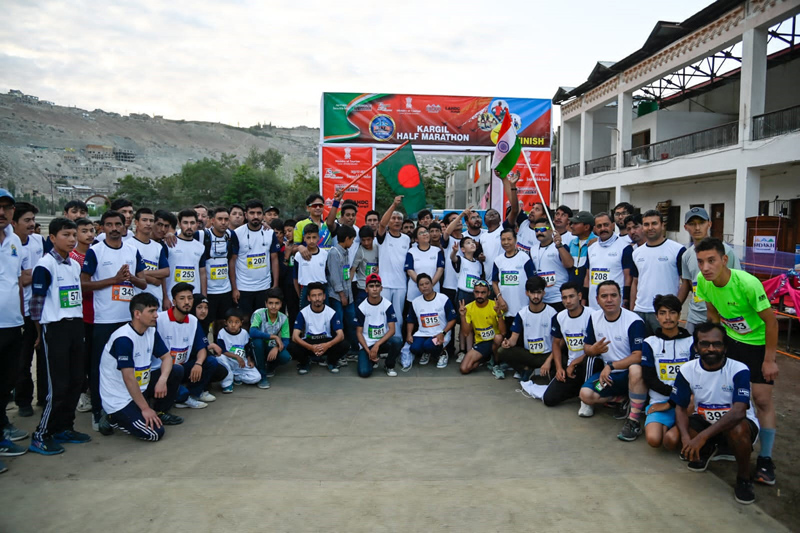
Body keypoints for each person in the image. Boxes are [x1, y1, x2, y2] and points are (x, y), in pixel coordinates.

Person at [695, 237, 778, 485]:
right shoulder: (702, 281)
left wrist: (769, 360)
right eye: (701, 262)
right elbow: (712, 314)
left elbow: (772, 322)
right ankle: (725, 442)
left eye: (711, 261)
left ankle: (765, 458)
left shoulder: (748, 284)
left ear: (724, 260)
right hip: (731, 341)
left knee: (761, 400)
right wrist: (714, 346)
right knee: (727, 394)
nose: (705, 267)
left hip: (758, 344)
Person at [671, 322, 760, 504]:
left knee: (737, 429)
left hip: (737, 424)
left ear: (725, 347)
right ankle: (708, 449)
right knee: (684, 429)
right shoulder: (687, 370)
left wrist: (701, 437)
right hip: (706, 421)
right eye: (705, 344)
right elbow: (680, 407)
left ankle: (744, 478)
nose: (711, 348)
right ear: (696, 347)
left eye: (716, 344)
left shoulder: (739, 369)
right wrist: (686, 438)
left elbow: (739, 411)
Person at [27, 218, 91, 454]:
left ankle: (65, 427)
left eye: (74, 235)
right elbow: (36, 304)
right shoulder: (45, 265)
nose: (72, 239)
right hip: (55, 328)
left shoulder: (73, 265)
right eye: (66, 235)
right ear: (52, 238)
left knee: (76, 380)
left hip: (75, 326)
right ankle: (41, 434)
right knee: (58, 385)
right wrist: (38, 332)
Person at [81, 210, 147, 434]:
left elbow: (143, 283)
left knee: (127, 366)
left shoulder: (132, 250)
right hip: (104, 319)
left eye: (118, 224)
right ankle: (98, 411)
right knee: (100, 367)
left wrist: (131, 278)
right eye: (109, 225)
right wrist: (114, 280)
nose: (114, 228)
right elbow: (83, 284)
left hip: (128, 320)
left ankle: (125, 409)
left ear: (124, 226)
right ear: (102, 228)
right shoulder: (95, 251)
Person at [99, 293, 184, 442]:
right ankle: (112, 417)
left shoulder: (151, 331)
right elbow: (128, 378)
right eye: (151, 311)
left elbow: (167, 358)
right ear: (137, 314)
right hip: (121, 398)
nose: (156, 315)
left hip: (140, 387)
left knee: (176, 370)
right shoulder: (123, 339)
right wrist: (145, 409)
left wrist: (162, 380)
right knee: (155, 433)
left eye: (156, 310)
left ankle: (160, 411)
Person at [579, 280, 647, 442]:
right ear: (597, 300)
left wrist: (611, 365)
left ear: (620, 297)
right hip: (609, 377)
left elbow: (638, 355)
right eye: (604, 296)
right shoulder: (594, 318)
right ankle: (623, 399)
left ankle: (633, 420)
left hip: (629, 374)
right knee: (585, 395)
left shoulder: (634, 321)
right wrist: (593, 350)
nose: (609, 300)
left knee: (636, 369)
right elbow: (586, 347)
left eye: (613, 295)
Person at [156, 282, 221, 409]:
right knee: (181, 393)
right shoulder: (160, 319)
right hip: (163, 370)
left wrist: (198, 364)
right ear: (174, 301)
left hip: (183, 367)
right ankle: (182, 395)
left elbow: (201, 347)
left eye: (190, 298)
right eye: (182, 298)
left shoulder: (193, 320)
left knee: (211, 361)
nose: (187, 302)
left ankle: (193, 394)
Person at [641, 294, 693, 450]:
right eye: (662, 313)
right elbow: (649, 378)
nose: (668, 317)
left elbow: (694, 378)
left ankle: (677, 429)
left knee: (671, 441)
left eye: (672, 312)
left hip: (686, 403)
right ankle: (670, 427)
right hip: (659, 401)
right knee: (654, 440)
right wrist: (669, 400)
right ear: (657, 317)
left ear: (679, 315)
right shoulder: (650, 343)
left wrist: (673, 402)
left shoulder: (691, 342)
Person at [677, 208, 741, 333]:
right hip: (695, 316)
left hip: (722, 316)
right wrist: (674, 307)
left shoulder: (725, 251)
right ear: (685, 227)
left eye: (701, 223)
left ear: (709, 224)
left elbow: (736, 281)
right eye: (692, 224)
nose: (697, 228)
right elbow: (687, 283)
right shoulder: (686, 256)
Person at [543, 282, 604, 410]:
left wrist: (574, 363)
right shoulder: (559, 317)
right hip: (572, 368)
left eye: (571, 296)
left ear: (580, 296)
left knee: (591, 362)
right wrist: (559, 368)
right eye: (564, 298)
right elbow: (556, 343)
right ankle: (582, 391)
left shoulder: (593, 315)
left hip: (594, 364)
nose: (568, 301)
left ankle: (588, 401)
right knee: (549, 399)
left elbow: (596, 349)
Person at [0, 189, 28, 466]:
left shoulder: (14, 241)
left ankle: (2, 429)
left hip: (12, 323)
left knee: (5, 382)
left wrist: (21, 316)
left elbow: (17, 281)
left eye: (7, 208)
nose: (2, 212)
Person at [13, 202, 46, 417]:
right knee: (22, 359)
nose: (32, 224)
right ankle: (23, 400)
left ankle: (44, 396)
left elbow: (42, 270)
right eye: (27, 220)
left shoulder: (38, 241)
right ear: (14, 223)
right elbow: (18, 279)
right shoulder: (10, 245)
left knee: (44, 356)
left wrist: (29, 274)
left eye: (33, 219)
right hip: (21, 312)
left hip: (41, 308)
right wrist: (33, 274)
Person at [630, 210, 685, 334]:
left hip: (663, 313)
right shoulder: (636, 253)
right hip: (640, 311)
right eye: (646, 224)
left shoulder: (677, 250)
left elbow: (685, 283)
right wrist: (633, 310)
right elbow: (635, 282)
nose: (650, 228)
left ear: (662, 225)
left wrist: (674, 308)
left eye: (654, 223)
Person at [495, 276, 557, 380]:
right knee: (502, 351)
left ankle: (547, 370)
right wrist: (507, 343)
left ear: (543, 293)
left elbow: (557, 343)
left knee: (564, 359)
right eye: (532, 292)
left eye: (539, 292)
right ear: (527, 293)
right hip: (529, 355)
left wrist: (548, 361)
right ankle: (525, 369)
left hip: (547, 354)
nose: (536, 296)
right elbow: (513, 339)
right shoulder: (522, 314)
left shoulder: (552, 313)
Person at [230, 199, 281, 317]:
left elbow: (274, 259)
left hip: (264, 286)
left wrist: (275, 285)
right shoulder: (237, 233)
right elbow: (232, 261)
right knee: (244, 320)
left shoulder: (270, 233)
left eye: (258, 213)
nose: (255, 216)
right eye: (252, 213)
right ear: (246, 215)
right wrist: (234, 288)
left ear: (263, 215)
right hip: (243, 287)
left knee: (263, 320)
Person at [288, 282, 348, 374]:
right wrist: (311, 347)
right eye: (314, 296)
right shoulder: (303, 313)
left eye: (320, 295)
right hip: (309, 343)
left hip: (326, 343)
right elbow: (295, 337)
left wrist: (327, 345)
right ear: (309, 298)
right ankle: (305, 362)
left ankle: (331, 361)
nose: (317, 298)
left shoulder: (331, 312)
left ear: (324, 296)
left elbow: (341, 335)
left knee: (345, 344)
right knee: (291, 346)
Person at [69, 218, 96, 414]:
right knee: (82, 358)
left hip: (100, 313)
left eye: (91, 230)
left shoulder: (98, 252)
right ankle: (81, 393)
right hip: (81, 314)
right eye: (84, 231)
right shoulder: (71, 258)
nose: (89, 234)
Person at [376, 196, 411, 340]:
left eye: (399, 219)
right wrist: (394, 205)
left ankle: (397, 341)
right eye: (394, 218)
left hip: (401, 284)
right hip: (384, 284)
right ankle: (382, 343)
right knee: (383, 315)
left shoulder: (406, 239)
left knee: (398, 316)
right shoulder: (383, 236)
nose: (397, 221)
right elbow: (382, 224)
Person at [405, 273, 457, 369]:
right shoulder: (415, 302)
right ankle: (427, 352)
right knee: (414, 348)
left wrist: (443, 333)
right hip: (423, 333)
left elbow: (452, 319)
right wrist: (409, 334)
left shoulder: (443, 299)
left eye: (427, 283)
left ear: (432, 284)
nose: (424, 286)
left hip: (440, 333)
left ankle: (442, 353)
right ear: (418, 288)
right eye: (421, 285)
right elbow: (410, 320)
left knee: (429, 345)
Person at [355, 274, 402, 377]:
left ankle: (389, 365)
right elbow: (359, 333)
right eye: (371, 286)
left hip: (382, 342)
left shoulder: (387, 305)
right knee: (364, 373)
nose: (375, 289)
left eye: (377, 286)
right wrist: (368, 351)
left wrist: (377, 344)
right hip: (367, 344)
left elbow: (392, 330)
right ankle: (372, 359)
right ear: (366, 289)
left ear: (381, 288)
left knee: (397, 341)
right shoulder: (362, 307)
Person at [585, 212, 633, 310]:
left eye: (606, 225)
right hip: (594, 304)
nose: (603, 229)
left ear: (613, 225)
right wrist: (584, 300)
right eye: (599, 226)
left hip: (615, 303)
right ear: (595, 229)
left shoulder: (624, 247)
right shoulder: (591, 248)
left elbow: (628, 277)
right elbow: (587, 276)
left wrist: (626, 300)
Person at [492, 228, 536, 331]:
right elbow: (494, 282)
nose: (506, 242)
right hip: (505, 308)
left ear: (515, 240)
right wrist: (499, 298)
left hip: (523, 307)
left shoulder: (524, 258)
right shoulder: (498, 260)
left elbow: (532, 281)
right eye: (503, 239)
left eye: (509, 239)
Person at [459, 280, 505, 375]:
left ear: (488, 293)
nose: (479, 295)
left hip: (496, 341)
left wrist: (499, 314)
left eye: (483, 292)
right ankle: (485, 358)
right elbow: (466, 333)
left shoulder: (495, 305)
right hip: (481, 343)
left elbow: (503, 332)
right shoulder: (468, 308)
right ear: (473, 292)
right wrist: (462, 316)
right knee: (464, 368)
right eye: (477, 292)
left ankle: (496, 364)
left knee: (498, 337)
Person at [249, 288, 292, 388]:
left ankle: (270, 366)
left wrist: (277, 348)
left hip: (271, 346)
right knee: (258, 342)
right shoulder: (259, 313)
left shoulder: (283, 318)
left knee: (286, 357)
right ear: (266, 304)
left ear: (281, 304)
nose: (273, 306)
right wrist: (273, 336)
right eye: (270, 303)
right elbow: (252, 332)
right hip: (256, 347)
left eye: (277, 303)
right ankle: (262, 375)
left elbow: (286, 340)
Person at [327, 224, 358, 359]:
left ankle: (353, 349)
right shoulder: (334, 253)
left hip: (348, 294)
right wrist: (341, 295)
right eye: (352, 240)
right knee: (338, 324)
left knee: (351, 322)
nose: (352, 243)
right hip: (337, 296)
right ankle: (337, 353)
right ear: (346, 239)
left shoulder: (345, 252)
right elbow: (334, 277)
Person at [529, 217, 573, 312]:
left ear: (551, 230)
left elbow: (569, 264)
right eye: (536, 230)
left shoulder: (561, 245)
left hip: (559, 297)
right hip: (542, 299)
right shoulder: (532, 249)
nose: (539, 232)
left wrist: (559, 245)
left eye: (543, 229)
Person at [130, 208, 169, 309]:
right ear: (136, 222)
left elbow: (166, 271)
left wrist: (142, 273)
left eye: (151, 221)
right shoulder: (128, 245)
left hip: (156, 297)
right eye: (144, 220)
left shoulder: (158, 247)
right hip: (136, 298)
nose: (148, 223)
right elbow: (129, 273)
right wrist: (153, 280)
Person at [165, 209, 207, 306]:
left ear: (197, 224)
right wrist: (165, 297)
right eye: (185, 223)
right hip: (172, 298)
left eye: (192, 223)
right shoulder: (169, 243)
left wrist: (204, 297)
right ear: (179, 224)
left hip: (194, 298)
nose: (189, 226)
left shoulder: (201, 247)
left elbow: (202, 273)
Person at [202, 207, 235, 330]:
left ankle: (219, 342)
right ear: (212, 220)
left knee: (222, 323)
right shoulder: (203, 235)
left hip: (225, 290)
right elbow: (182, 235)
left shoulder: (230, 235)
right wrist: (170, 234)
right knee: (206, 323)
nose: (223, 222)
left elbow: (232, 261)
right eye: (220, 219)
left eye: (226, 219)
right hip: (209, 291)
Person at [215, 308, 260, 392]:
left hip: (241, 362)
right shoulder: (222, 333)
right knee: (219, 358)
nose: (233, 325)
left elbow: (247, 348)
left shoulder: (244, 333)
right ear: (225, 322)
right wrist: (236, 357)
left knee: (256, 377)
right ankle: (227, 383)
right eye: (230, 322)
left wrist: (249, 360)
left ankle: (237, 376)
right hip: (228, 361)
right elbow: (222, 351)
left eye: (237, 322)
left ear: (241, 323)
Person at [405, 225, 445, 302]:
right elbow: (410, 270)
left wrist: (430, 285)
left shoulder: (437, 251)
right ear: (416, 239)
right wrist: (421, 285)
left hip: (433, 289)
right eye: (421, 233)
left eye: (426, 232)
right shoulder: (411, 251)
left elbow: (440, 270)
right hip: (415, 291)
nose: (424, 234)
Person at [293, 223, 329, 309]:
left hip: (322, 288)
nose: (311, 241)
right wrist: (300, 294)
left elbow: (327, 274)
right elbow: (295, 277)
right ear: (304, 238)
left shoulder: (324, 254)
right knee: (305, 314)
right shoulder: (298, 256)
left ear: (318, 237)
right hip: (306, 289)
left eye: (314, 237)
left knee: (324, 313)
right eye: (308, 238)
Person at [351, 226, 378, 308]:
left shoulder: (377, 248)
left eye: (368, 240)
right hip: (362, 288)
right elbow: (353, 269)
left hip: (375, 287)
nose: (366, 243)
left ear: (373, 238)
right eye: (363, 240)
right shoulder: (360, 251)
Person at [566, 210, 596, 286]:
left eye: (575, 223)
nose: (571, 226)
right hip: (573, 288)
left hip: (589, 288)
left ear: (586, 227)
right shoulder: (572, 243)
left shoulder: (597, 242)